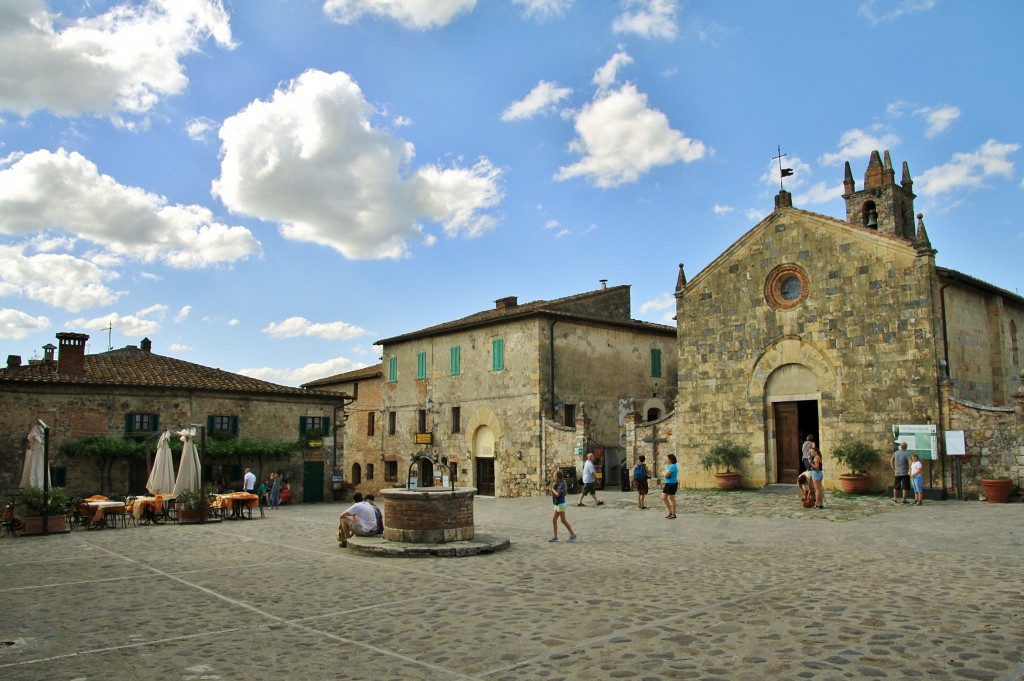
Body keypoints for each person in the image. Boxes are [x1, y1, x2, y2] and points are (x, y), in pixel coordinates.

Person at [547, 470, 578, 542]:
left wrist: (552, 489)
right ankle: (555, 537)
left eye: (554, 476)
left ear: (557, 477)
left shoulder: (561, 484)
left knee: (563, 520)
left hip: (561, 504)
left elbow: (557, 494)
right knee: (554, 520)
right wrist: (552, 487)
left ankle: (573, 535)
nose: (553, 477)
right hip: (557, 504)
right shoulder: (557, 483)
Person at [662, 453, 678, 519]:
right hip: (667, 483)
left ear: (671, 459)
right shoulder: (669, 466)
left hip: (672, 484)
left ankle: (674, 514)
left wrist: (663, 472)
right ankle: (670, 512)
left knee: (672, 499)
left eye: (667, 458)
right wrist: (664, 473)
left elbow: (666, 475)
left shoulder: (673, 466)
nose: (666, 460)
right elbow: (666, 474)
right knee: (664, 498)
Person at [810, 444, 825, 509]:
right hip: (819, 474)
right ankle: (820, 503)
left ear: (816, 452)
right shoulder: (819, 457)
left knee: (817, 490)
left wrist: (811, 464)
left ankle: (817, 504)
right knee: (820, 489)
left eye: (812, 452)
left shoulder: (816, 458)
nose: (811, 453)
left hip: (816, 473)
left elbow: (817, 467)